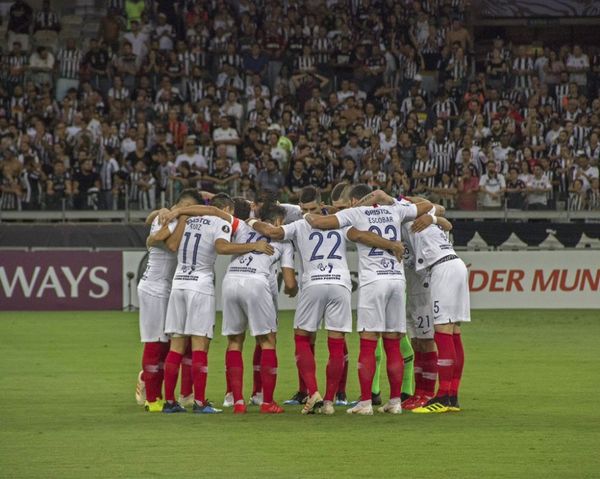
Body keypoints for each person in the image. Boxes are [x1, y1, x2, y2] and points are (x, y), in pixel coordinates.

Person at [250, 186, 404, 415]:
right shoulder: (341, 223)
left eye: (308, 209)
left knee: (302, 338)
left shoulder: (300, 224)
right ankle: (330, 402)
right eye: (304, 209)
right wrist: (392, 245)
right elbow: (361, 235)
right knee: (336, 344)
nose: (306, 213)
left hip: (313, 283)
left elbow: (273, 233)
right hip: (341, 285)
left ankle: (314, 393)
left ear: (316, 207)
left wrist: (251, 221)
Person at [306, 184, 433, 415]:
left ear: (355, 200)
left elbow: (318, 223)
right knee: (393, 342)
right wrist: (392, 199)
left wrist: (303, 212)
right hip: (396, 279)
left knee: (368, 341)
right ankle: (395, 402)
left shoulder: (356, 212)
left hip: (373, 282)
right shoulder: (395, 210)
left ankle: (365, 402)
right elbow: (427, 206)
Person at [358, 189, 470, 413]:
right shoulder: (402, 218)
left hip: (440, 269)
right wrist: (434, 217)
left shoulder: (401, 210)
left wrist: (367, 203)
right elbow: (442, 218)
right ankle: (447, 396)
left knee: (442, 333)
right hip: (443, 267)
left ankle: (442, 396)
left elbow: (436, 210)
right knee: (451, 332)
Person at [161, 193, 274, 414]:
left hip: (179, 283)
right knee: (199, 345)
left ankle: (170, 401)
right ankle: (200, 402)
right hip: (200, 285)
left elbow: (171, 245)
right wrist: (252, 246)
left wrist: (177, 212)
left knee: (176, 346)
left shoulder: (187, 219)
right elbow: (222, 247)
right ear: (228, 209)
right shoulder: (220, 221)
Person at [135, 189, 225, 412]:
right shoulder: (174, 219)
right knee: (157, 342)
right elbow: (166, 243)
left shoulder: (170, 217)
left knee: (179, 342)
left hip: (172, 286)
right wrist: (180, 215)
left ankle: (183, 395)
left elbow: (152, 230)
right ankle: (153, 397)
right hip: (156, 288)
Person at [221, 202, 298, 414]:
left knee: (235, 341)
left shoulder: (244, 228)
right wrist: (293, 290)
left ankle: (237, 401)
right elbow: (290, 283)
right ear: (279, 222)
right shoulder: (284, 241)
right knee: (267, 341)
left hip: (230, 281)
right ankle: (267, 402)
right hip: (256, 282)